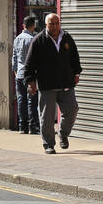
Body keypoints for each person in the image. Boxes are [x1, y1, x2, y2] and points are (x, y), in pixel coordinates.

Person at [23, 12, 81, 155]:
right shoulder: (38, 40)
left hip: (66, 82)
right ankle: (48, 143)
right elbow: (29, 63)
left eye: (57, 23)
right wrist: (30, 81)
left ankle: (63, 134)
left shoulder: (67, 38)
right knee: (47, 118)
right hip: (47, 85)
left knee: (72, 110)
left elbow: (75, 57)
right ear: (46, 25)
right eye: (51, 24)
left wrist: (76, 73)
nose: (55, 27)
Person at [11, 15, 40, 135]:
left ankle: (22, 126)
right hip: (30, 75)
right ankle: (32, 127)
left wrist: (16, 72)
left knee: (21, 100)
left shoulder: (17, 38)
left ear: (23, 25)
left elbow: (14, 57)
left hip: (19, 74)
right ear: (33, 26)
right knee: (31, 101)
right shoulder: (33, 39)